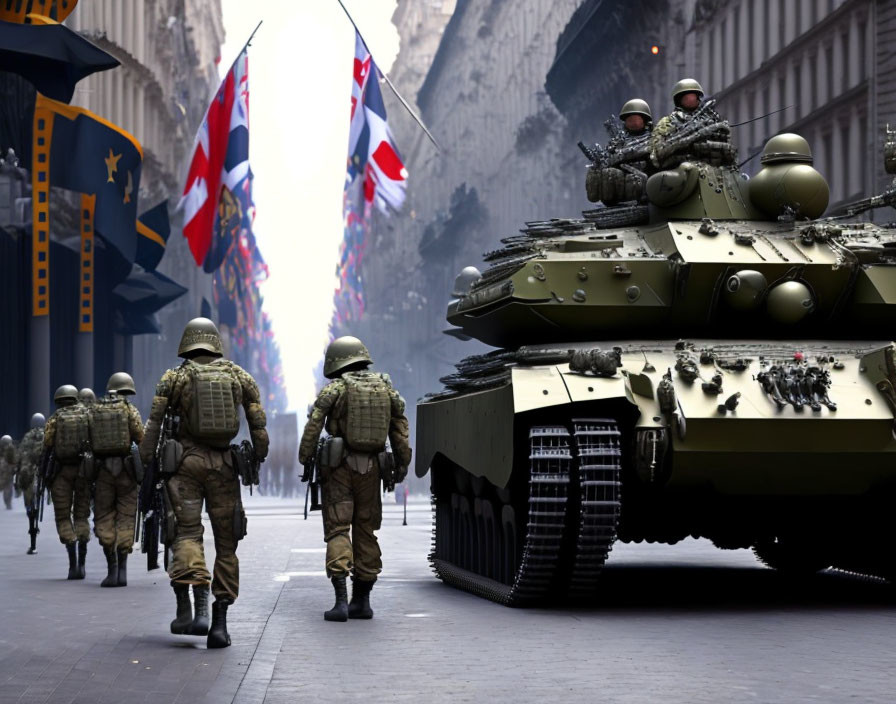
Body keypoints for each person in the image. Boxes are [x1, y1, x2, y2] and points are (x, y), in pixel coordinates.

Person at [140, 317, 268, 649]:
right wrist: (258, 455)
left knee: (185, 533)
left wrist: (146, 462)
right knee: (227, 544)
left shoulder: (175, 377)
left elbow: (153, 425)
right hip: (225, 466)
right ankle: (220, 623)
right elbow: (258, 423)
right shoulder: (239, 376)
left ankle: (193, 609)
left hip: (184, 465)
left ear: (187, 343)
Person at [299, 336, 412, 622]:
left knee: (339, 529)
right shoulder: (385, 388)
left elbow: (313, 426)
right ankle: (362, 601)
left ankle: (340, 602)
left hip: (339, 467)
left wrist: (305, 457)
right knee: (366, 530)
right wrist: (401, 463)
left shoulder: (335, 388)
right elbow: (399, 427)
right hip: (373, 468)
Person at [90, 373, 144, 588]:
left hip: (103, 471)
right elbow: (140, 436)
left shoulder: (95, 410)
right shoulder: (130, 410)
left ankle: (111, 569)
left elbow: (88, 440)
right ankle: (123, 570)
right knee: (126, 516)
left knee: (103, 516)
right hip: (126, 471)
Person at [44, 385, 92, 579]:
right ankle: (82, 563)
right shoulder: (86, 416)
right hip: (83, 471)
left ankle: (72, 563)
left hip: (61, 472)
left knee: (63, 517)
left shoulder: (55, 419)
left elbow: (47, 444)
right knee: (81, 515)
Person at [648, 78, 736, 170]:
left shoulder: (713, 119)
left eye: (692, 96)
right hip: (681, 171)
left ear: (698, 97)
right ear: (679, 100)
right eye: (686, 98)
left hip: (714, 170)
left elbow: (727, 146)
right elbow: (658, 153)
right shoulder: (668, 121)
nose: (690, 100)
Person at [586, 98, 654, 205]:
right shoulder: (618, 142)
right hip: (620, 185)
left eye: (636, 120)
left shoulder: (653, 138)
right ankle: (612, 203)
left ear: (644, 120)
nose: (633, 123)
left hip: (643, 184)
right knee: (604, 173)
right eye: (629, 120)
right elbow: (608, 161)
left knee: (634, 180)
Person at [17, 414, 45, 554]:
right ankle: (34, 522)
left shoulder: (27, 437)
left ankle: (32, 543)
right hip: (39, 473)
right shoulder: (45, 435)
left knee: (29, 504)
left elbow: (20, 456)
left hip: (26, 473)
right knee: (37, 501)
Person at [0, 435, 14, 510]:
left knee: (7, 487)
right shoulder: (11, 448)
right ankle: (8, 503)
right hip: (6, 470)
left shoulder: (10, 449)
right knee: (8, 487)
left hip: (7, 470)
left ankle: (8, 503)